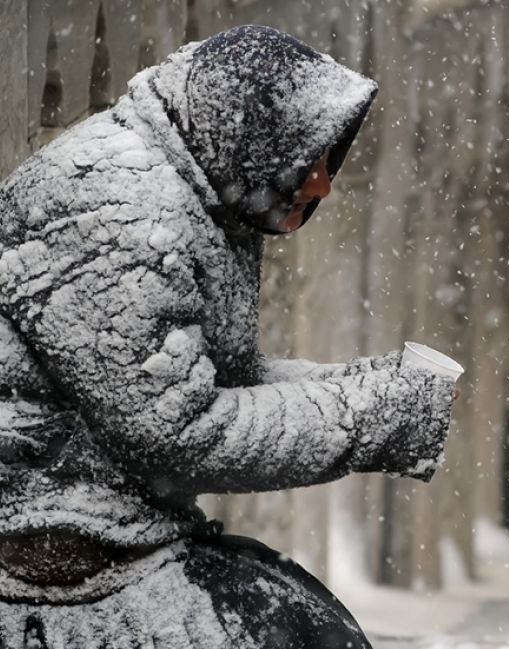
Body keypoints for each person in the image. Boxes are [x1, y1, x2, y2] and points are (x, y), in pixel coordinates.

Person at [0, 25, 456, 647]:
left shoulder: (200, 192)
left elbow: (221, 379)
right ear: (251, 134)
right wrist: (366, 416)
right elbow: (176, 435)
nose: (322, 183)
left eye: (331, 157)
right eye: (308, 158)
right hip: (53, 569)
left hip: (118, 540)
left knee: (310, 621)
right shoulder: (117, 207)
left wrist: (372, 389)